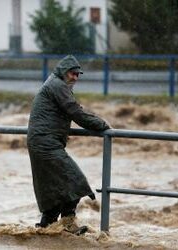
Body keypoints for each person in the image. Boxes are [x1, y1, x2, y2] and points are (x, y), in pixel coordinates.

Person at [27, 55, 111, 233]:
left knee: (53, 190)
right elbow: (75, 112)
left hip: (42, 142)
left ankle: (47, 230)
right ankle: (67, 227)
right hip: (46, 143)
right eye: (72, 74)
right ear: (64, 71)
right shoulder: (57, 85)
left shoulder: (55, 83)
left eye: (78, 75)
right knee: (74, 182)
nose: (75, 78)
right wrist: (103, 126)